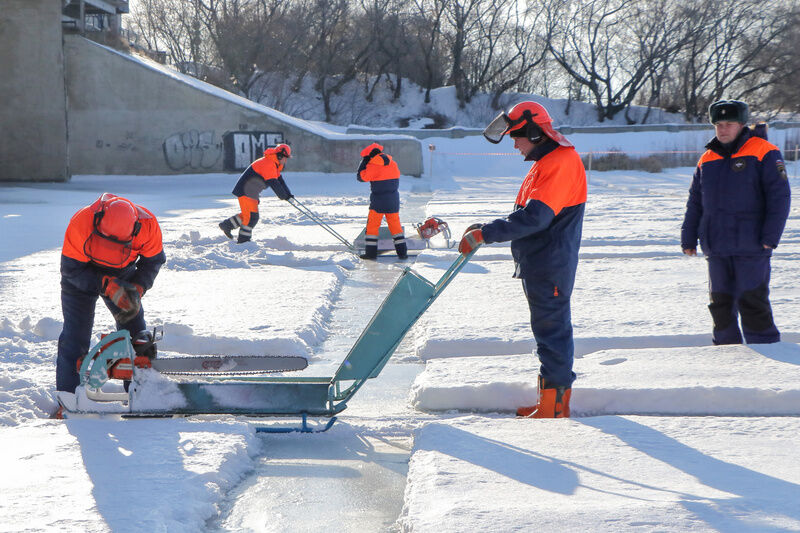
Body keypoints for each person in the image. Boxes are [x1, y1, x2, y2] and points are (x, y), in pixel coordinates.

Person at [459, 101, 587, 418]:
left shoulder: (559, 162)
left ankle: (555, 407)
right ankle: (550, 400)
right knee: (547, 332)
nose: (514, 143)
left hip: (550, 265)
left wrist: (486, 234)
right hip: (540, 263)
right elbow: (526, 213)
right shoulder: (546, 162)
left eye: (517, 136)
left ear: (534, 132)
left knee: (552, 333)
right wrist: (484, 228)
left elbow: (535, 219)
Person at [681, 100, 790, 345]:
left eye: (729, 123)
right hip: (716, 246)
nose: (723, 129)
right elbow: (695, 202)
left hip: (752, 245)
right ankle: (726, 357)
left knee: (752, 302)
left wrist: (770, 238)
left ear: (742, 124)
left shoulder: (764, 151)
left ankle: (767, 354)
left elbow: (780, 198)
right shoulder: (707, 158)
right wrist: (688, 237)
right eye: (718, 124)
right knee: (720, 305)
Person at [57, 193, 166, 395]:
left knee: (136, 335)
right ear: (98, 221)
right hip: (82, 273)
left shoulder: (148, 225)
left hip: (123, 273)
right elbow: (70, 270)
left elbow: (153, 262)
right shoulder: (82, 221)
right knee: (75, 336)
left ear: (135, 231)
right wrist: (105, 284)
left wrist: (138, 288)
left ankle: (140, 393)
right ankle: (68, 397)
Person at [219, 143, 294, 243]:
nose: (285, 160)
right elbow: (274, 183)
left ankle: (227, 225)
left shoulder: (274, 164)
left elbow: (280, 181)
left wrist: (289, 195)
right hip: (245, 191)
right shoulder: (269, 163)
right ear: (279, 155)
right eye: (285, 158)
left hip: (251, 192)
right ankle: (243, 242)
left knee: (249, 215)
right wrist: (284, 196)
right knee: (251, 218)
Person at [356, 142, 408, 260]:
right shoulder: (393, 163)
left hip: (378, 201)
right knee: (396, 227)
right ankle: (402, 253)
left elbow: (360, 177)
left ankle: (371, 253)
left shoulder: (373, 165)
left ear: (370, 156)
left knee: (372, 226)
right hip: (393, 200)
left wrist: (364, 162)